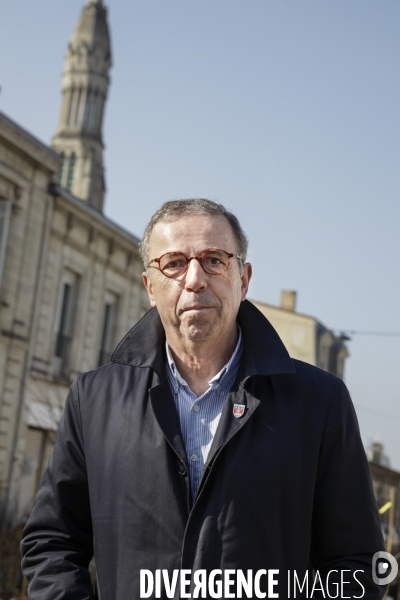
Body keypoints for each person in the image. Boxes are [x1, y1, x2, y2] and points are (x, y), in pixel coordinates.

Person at [21, 199, 385, 599]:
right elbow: (52, 544)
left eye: (214, 259)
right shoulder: (94, 401)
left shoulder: (320, 403)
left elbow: (357, 565)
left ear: (243, 280)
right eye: (174, 263)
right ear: (149, 287)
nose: (194, 279)